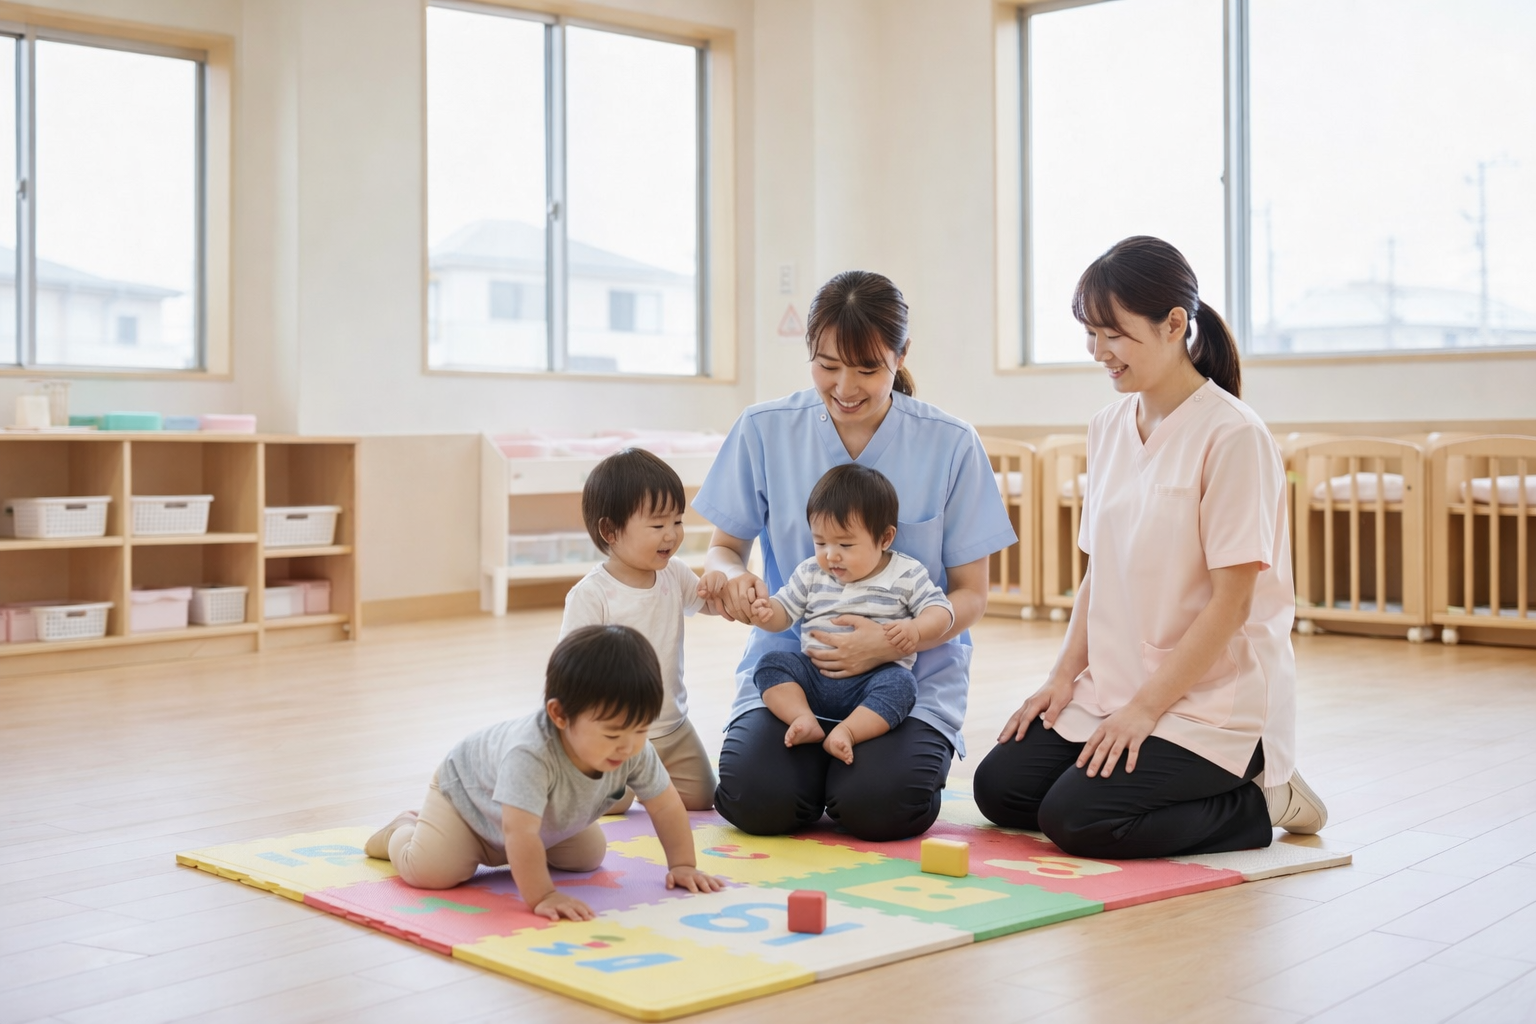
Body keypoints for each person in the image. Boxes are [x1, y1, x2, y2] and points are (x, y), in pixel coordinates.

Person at [972, 235, 1327, 859]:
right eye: (1090, 333)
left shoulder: (1234, 435)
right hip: (1114, 686)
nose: (1099, 351)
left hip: (1210, 702)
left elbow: (1232, 604)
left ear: (1174, 325)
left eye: (1114, 334)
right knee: (1000, 789)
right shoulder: (1109, 426)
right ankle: (1141, 757)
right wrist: (1061, 679)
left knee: (1077, 820)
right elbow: (1097, 573)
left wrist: (1143, 710)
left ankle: (1261, 796)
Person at [694, 269, 1016, 842]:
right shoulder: (764, 429)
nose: (845, 386)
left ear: (901, 354)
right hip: (795, 666)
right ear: (810, 353)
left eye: (868, 368)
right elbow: (724, 549)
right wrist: (731, 579)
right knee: (755, 802)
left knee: (881, 807)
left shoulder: (950, 443)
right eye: (827, 365)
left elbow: (971, 594)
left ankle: (847, 766)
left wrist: (904, 638)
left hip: (906, 675)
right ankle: (806, 758)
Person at [363, 625, 725, 917]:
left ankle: (507, 856)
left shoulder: (632, 748)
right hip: (468, 803)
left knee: (588, 858)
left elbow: (665, 805)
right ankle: (402, 829)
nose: (629, 746)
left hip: (536, 820)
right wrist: (542, 896)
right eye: (613, 733)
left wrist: (683, 865)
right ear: (559, 715)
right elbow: (518, 832)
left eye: (641, 729)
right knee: (432, 871)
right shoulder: (530, 753)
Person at [728, 463, 954, 765]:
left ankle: (848, 732)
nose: (830, 554)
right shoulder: (811, 572)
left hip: (874, 680)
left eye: (845, 544)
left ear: (885, 538)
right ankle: (803, 718)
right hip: (814, 676)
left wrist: (915, 631)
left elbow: (941, 610)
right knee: (770, 665)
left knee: (902, 686)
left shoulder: (905, 573)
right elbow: (785, 611)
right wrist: (766, 613)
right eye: (820, 542)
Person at [560, 447, 717, 812]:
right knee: (609, 805)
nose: (672, 535)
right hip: (614, 734)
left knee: (703, 799)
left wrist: (722, 588)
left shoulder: (673, 573)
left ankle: (649, 781)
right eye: (658, 525)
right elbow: (570, 666)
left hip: (670, 726)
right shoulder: (592, 595)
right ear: (610, 531)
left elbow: (705, 601)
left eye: (677, 521)